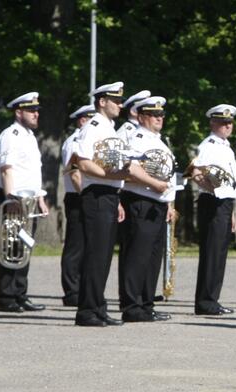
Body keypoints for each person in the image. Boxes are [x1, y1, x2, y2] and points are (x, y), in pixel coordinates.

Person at [74, 81, 144, 327]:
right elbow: (82, 162)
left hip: (110, 195)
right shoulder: (93, 126)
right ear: (102, 102)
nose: (120, 104)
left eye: (120, 100)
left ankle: (98, 306)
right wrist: (112, 178)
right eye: (115, 100)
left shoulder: (109, 128)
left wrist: (118, 192)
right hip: (97, 193)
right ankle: (87, 311)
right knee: (95, 254)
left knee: (104, 255)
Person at [120, 96, 175, 322]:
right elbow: (130, 168)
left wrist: (169, 202)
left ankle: (145, 303)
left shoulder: (158, 141)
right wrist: (155, 185)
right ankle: (132, 305)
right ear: (141, 117)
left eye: (161, 115)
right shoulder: (137, 138)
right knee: (137, 255)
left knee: (152, 257)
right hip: (142, 200)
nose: (159, 118)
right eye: (154, 115)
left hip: (158, 202)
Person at [0, 92, 49, 313]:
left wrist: (40, 198)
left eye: (37, 111)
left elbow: (32, 173)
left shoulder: (29, 136)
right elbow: (7, 169)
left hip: (29, 199)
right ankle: (7, 297)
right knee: (11, 248)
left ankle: (20, 293)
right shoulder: (11, 135)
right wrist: (10, 198)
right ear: (19, 113)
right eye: (31, 110)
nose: (36, 114)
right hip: (15, 199)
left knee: (24, 247)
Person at [191, 103, 236, 316]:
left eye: (229, 122)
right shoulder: (209, 145)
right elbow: (195, 172)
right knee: (212, 253)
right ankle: (206, 302)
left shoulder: (225, 145)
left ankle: (212, 299)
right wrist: (210, 187)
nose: (227, 126)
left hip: (224, 204)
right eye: (222, 122)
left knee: (219, 253)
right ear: (213, 122)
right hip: (213, 201)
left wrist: (231, 212)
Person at [59, 104, 95, 307]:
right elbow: (74, 173)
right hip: (78, 196)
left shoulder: (85, 140)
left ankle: (80, 287)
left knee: (86, 245)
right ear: (82, 120)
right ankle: (72, 291)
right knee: (76, 246)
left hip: (84, 195)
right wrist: (86, 194)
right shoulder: (74, 142)